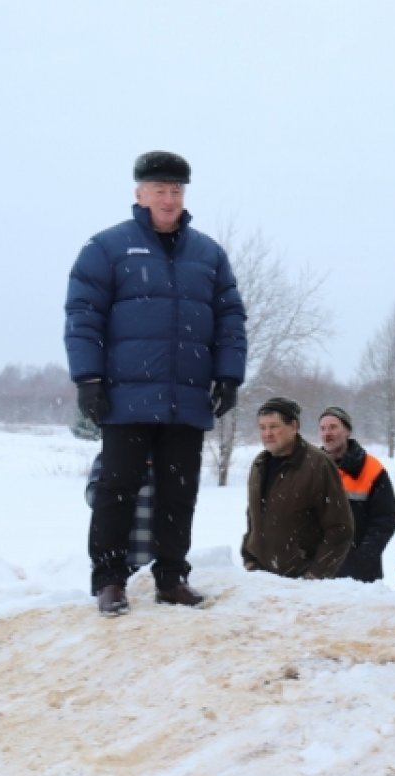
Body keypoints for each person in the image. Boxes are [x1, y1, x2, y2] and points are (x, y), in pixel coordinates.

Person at [65, 150, 247, 616]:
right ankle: (109, 580)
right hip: (126, 395)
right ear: (139, 194)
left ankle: (171, 578)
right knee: (116, 488)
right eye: (160, 190)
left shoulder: (208, 254)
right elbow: (83, 316)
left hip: (186, 396)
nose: (169, 199)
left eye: (176, 190)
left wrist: (228, 374)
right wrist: (88, 378)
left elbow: (230, 318)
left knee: (179, 491)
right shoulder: (107, 248)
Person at [242, 397, 354, 579]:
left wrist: (315, 575)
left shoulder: (318, 465)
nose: (267, 433)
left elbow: (340, 528)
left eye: (274, 426)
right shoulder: (259, 463)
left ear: (293, 426)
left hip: (300, 582)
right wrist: (250, 557)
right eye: (262, 427)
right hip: (260, 578)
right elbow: (253, 515)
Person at [318, 406, 395, 582]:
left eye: (333, 427)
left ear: (347, 431)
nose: (327, 433)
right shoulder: (311, 467)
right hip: (317, 571)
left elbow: (385, 520)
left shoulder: (372, 469)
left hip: (360, 577)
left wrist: (361, 559)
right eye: (323, 428)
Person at [85, 452, 154, 571]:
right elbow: (93, 497)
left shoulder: (165, 460)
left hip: (154, 564)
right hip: (112, 562)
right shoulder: (108, 457)